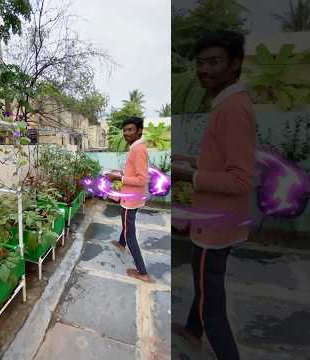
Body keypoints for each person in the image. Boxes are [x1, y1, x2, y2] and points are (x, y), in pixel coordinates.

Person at [171, 30, 256, 360]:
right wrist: (192, 161)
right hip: (217, 222)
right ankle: (193, 331)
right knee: (204, 281)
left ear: (235, 64)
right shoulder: (230, 104)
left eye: (214, 62)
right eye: (201, 63)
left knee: (213, 307)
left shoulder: (232, 109)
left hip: (215, 226)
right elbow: (227, 160)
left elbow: (240, 179)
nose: (205, 70)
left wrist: (188, 174)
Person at [106, 116, 152, 283]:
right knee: (126, 224)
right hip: (134, 197)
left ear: (139, 131)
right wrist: (120, 173)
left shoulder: (137, 150)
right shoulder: (138, 147)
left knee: (129, 232)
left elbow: (142, 179)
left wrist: (119, 178)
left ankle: (143, 272)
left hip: (131, 200)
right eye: (124, 130)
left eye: (130, 130)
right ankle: (121, 243)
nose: (126, 133)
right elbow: (135, 173)